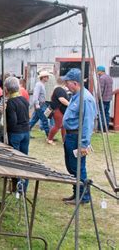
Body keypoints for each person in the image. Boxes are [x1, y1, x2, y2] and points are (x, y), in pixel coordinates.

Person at [62, 68, 96, 204]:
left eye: (67, 82)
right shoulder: (76, 96)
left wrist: (83, 144)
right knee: (72, 167)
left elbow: (87, 123)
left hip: (77, 137)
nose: (65, 85)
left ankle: (83, 196)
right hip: (71, 136)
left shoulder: (85, 99)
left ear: (75, 83)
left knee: (78, 167)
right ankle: (77, 193)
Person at [4, 76, 30, 192]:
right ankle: (24, 186)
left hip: (16, 133)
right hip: (26, 132)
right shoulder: (24, 100)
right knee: (24, 159)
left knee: (16, 160)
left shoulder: (11, 102)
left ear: (7, 89)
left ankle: (18, 187)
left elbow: (13, 121)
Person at [47, 77, 70, 145]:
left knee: (63, 126)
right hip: (58, 110)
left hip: (60, 110)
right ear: (64, 82)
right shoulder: (59, 89)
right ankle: (49, 139)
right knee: (58, 125)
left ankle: (64, 140)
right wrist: (70, 105)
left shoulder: (59, 89)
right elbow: (61, 99)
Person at [29, 70, 51, 138]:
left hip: (41, 105)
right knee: (45, 120)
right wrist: (37, 104)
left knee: (33, 120)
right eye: (47, 77)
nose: (48, 78)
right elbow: (35, 95)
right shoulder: (39, 84)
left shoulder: (41, 84)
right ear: (43, 77)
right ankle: (49, 136)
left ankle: (26, 133)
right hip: (40, 105)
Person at [97, 65, 113, 132]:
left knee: (101, 113)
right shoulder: (109, 77)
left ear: (101, 71)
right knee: (106, 113)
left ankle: (101, 128)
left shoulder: (102, 78)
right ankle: (106, 128)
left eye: (98, 71)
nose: (97, 72)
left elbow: (101, 90)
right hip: (108, 99)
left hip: (103, 99)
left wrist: (98, 98)